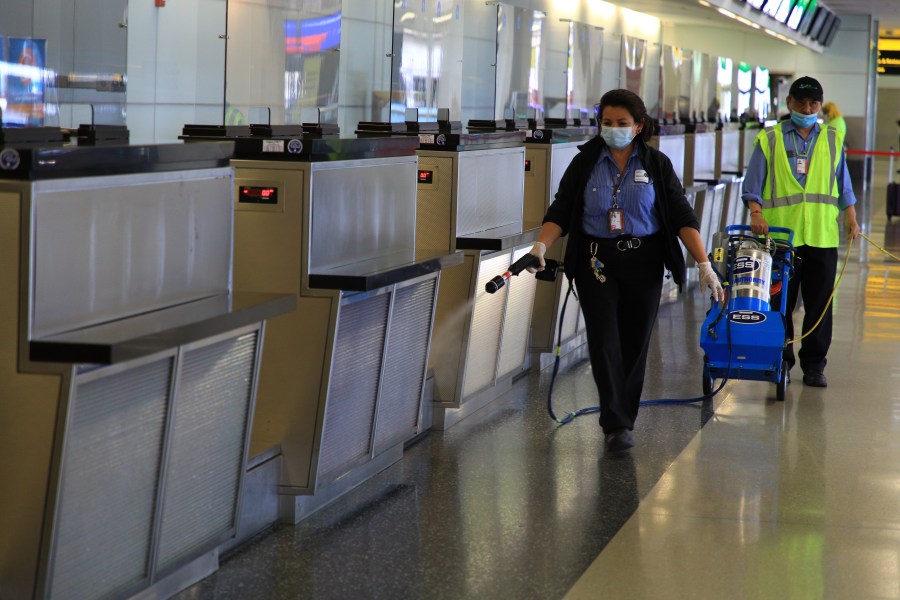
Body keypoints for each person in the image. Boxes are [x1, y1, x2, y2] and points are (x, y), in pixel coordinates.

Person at [526, 88, 724, 454]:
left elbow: (682, 215)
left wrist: (704, 263)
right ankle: (615, 424)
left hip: (644, 260)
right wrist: (541, 245)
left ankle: (624, 416)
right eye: (607, 122)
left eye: (621, 123)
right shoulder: (585, 163)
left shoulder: (656, 164)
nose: (613, 129)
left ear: (638, 126)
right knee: (604, 339)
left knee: (634, 342)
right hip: (595, 261)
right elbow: (561, 209)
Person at [742, 76, 860, 388]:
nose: (807, 109)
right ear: (789, 103)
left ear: (820, 105)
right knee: (779, 303)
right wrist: (756, 213)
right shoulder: (770, 138)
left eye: (813, 103)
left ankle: (814, 365)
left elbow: (843, 183)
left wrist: (851, 216)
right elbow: (753, 184)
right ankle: (780, 359)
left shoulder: (832, 138)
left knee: (820, 305)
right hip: (781, 238)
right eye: (801, 102)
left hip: (821, 235)